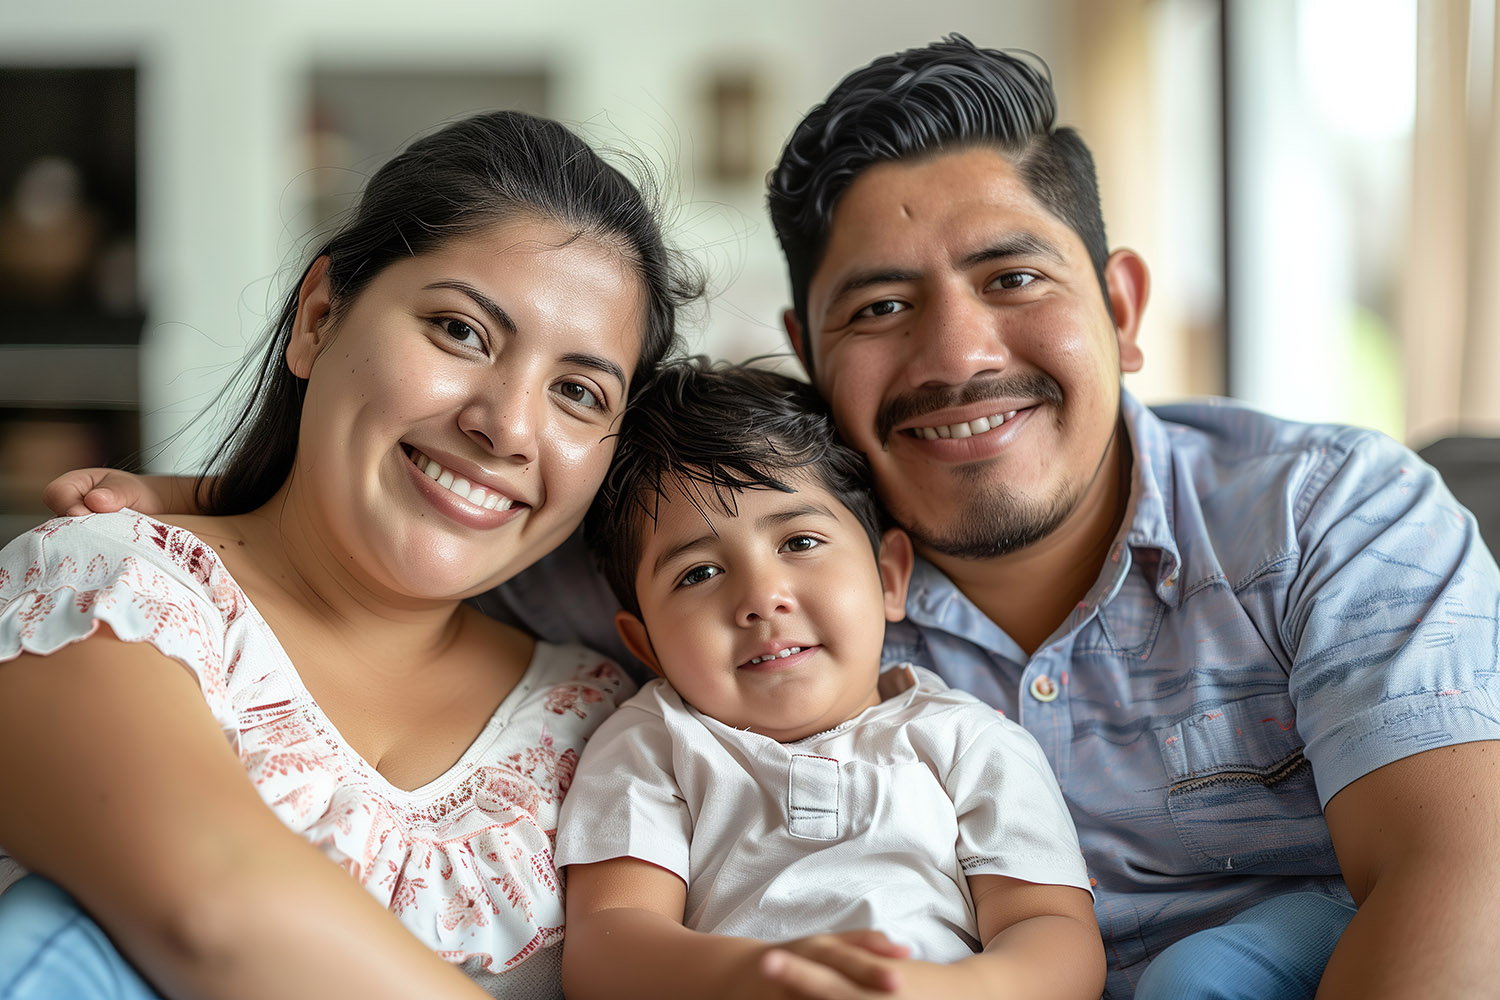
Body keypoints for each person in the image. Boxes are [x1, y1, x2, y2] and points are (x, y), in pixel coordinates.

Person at [45, 35, 1500, 1000]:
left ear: (1122, 308)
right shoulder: (662, 616)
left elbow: (1466, 876)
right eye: (881, 307)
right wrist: (199, 514)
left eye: (1013, 278)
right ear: (809, 358)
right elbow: (435, 516)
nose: (958, 354)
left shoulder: (1327, 516)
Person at [0, 108, 699, 1000]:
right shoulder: (104, 586)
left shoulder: (609, 720)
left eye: (578, 391)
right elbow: (217, 908)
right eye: (461, 332)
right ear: (320, 316)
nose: (508, 427)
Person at [554, 358, 1102, 1000]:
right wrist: (750, 975)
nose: (761, 598)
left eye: (800, 542)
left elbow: (1053, 930)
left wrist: (964, 989)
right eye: (699, 574)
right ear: (646, 644)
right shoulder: (654, 744)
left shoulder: (969, 743)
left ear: (889, 576)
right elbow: (606, 946)